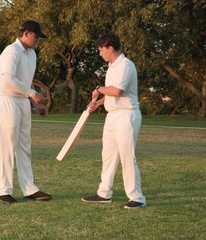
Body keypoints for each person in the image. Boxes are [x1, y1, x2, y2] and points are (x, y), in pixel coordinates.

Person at [82, 33, 146, 209]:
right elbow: (114, 94)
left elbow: (117, 91)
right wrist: (100, 102)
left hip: (127, 115)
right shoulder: (111, 67)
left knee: (127, 156)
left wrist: (98, 89)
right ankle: (104, 193)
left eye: (101, 50)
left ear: (110, 48)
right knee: (108, 156)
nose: (100, 53)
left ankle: (137, 197)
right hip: (112, 116)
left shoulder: (126, 65)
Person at [0, 20, 51, 203]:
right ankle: (3, 190)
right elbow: (7, 81)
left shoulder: (32, 54)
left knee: (24, 145)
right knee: (8, 144)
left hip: (22, 101)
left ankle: (29, 188)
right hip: (6, 99)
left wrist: (36, 104)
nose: (37, 40)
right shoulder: (11, 51)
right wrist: (32, 94)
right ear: (25, 33)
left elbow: (27, 80)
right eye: (35, 36)